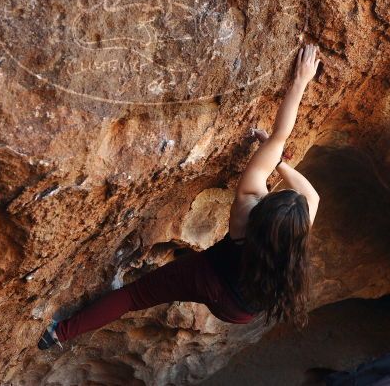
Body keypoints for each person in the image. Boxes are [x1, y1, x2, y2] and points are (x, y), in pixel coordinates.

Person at [38, 44, 323, 350]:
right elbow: (313, 197)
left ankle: (59, 333)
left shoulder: (247, 204)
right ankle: (57, 336)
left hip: (208, 276)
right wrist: (279, 159)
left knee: (134, 297)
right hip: (239, 311)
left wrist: (298, 85)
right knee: (151, 295)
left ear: (264, 205)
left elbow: (280, 136)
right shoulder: (293, 244)